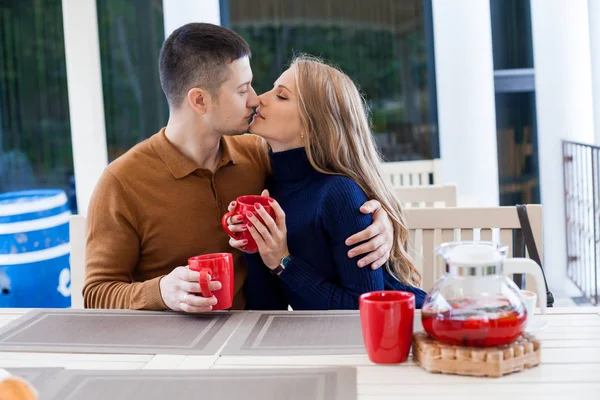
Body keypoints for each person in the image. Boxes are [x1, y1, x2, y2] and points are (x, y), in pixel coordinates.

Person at [83, 23, 395, 313]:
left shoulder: (259, 157)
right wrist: (162, 291)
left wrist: (379, 219)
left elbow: (322, 180)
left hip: (256, 336)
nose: (255, 99)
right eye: (242, 89)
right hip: (167, 349)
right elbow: (96, 294)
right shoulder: (122, 182)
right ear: (200, 101)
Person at [227, 55, 426, 310]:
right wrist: (256, 248)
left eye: (282, 96)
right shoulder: (272, 188)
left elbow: (363, 311)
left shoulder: (340, 194)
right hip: (328, 342)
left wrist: (283, 262)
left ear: (311, 126)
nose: (258, 99)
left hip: (407, 330)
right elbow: (269, 311)